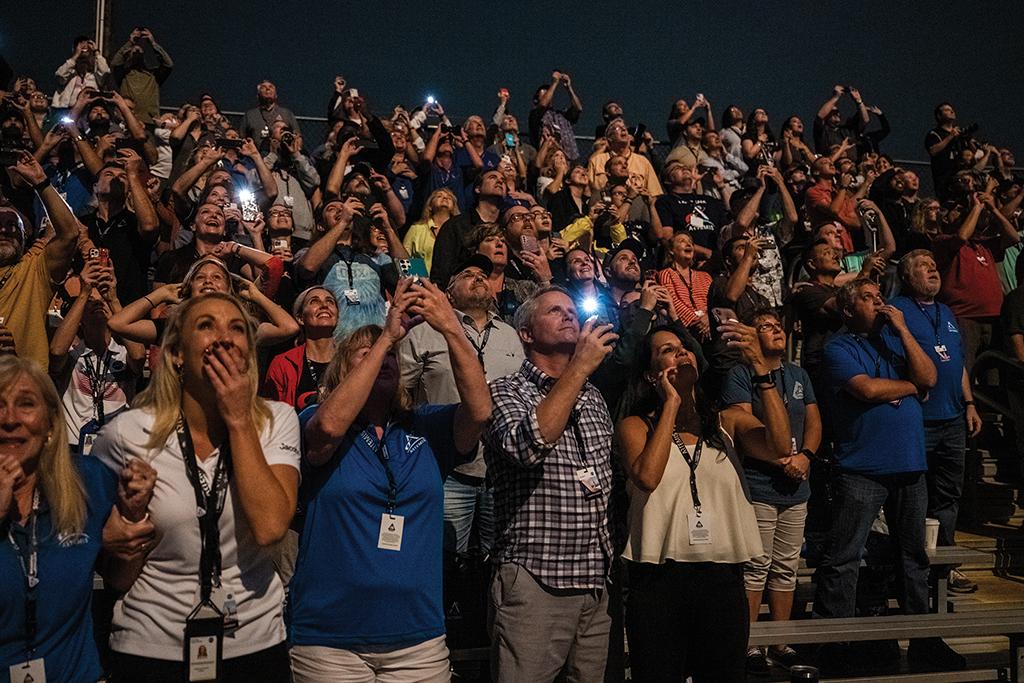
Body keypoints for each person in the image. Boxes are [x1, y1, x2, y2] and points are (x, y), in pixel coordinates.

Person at [289, 278, 491, 681]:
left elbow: (481, 412)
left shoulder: (425, 426)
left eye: (391, 356)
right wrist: (385, 337)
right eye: (364, 355)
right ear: (344, 369)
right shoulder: (314, 418)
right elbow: (329, 428)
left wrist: (450, 326)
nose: (382, 359)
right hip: (329, 640)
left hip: (418, 639)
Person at [94, 293, 301, 681]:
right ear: (176, 354)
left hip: (253, 642)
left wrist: (239, 419)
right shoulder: (127, 432)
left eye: (237, 328)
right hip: (152, 645)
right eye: (206, 326)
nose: (224, 338)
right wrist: (127, 524)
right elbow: (119, 579)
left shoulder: (277, 420)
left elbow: (271, 527)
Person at [615, 319, 792, 681]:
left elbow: (778, 446)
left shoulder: (728, 422)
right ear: (651, 375)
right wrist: (671, 404)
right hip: (659, 582)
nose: (681, 351)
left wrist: (761, 371)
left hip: (722, 581)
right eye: (667, 350)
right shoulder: (635, 425)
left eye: (684, 347)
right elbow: (648, 476)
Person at [813, 279, 965, 671]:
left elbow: (929, 377)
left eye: (881, 297)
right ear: (848, 311)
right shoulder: (837, 347)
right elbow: (865, 389)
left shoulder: (896, 341)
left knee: (914, 557)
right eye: (868, 298)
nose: (879, 304)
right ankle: (836, 644)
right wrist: (912, 387)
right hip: (862, 468)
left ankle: (923, 641)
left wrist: (902, 329)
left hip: (910, 465)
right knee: (844, 557)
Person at [484, 287, 618, 682]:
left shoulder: (593, 396)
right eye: (554, 311)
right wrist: (578, 368)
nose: (569, 317)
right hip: (536, 580)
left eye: (572, 312)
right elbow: (527, 447)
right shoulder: (505, 391)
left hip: (594, 581)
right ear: (525, 333)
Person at [0, 355, 155, 683]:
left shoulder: (89, 483)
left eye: (26, 404)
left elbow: (120, 578)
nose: (10, 419)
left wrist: (132, 515)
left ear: (52, 425)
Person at [399, 256, 523, 560]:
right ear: (449, 293)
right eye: (467, 274)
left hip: (502, 471)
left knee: (497, 560)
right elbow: (401, 394)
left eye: (483, 274)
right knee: (442, 559)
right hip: (446, 469)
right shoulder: (424, 332)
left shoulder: (512, 335)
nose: (478, 277)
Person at [720, 309, 821, 674]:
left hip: (797, 486)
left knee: (786, 567)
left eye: (778, 325)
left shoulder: (798, 374)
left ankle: (780, 640)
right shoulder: (740, 375)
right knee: (756, 568)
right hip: (760, 484)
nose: (775, 329)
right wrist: (784, 460)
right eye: (765, 326)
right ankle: (748, 644)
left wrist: (806, 457)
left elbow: (814, 420)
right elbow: (745, 430)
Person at [890, 250, 983, 593]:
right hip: (918, 421)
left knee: (948, 497)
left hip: (954, 419)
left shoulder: (946, 312)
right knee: (915, 498)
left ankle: (945, 566)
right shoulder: (897, 310)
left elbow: (956, 362)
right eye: (923, 266)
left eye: (934, 264)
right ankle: (913, 570)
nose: (932, 269)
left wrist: (970, 402)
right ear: (907, 276)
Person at [49, 256, 144, 452]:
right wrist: (84, 293)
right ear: (80, 318)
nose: (98, 304)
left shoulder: (123, 353)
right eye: (91, 302)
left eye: (103, 301)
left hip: (116, 449)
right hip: (73, 449)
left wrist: (113, 298)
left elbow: (139, 356)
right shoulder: (73, 355)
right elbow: (56, 352)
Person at [0, 153, 80, 369]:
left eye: (13, 226)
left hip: (24, 389)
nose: (5, 230)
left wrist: (41, 184)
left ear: (25, 239)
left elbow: (70, 234)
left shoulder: (34, 269)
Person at [261, 286, 339, 412]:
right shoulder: (282, 364)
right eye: (314, 301)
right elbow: (273, 417)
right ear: (300, 318)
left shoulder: (350, 359)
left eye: (330, 301)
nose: (324, 305)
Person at [658, 232, 713, 342]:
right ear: (671, 251)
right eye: (682, 241)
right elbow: (672, 300)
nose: (688, 244)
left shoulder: (705, 276)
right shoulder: (666, 274)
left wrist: (709, 319)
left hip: (710, 327)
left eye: (690, 243)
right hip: (687, 330)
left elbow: (713, 302)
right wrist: (697, 322)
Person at [402, 188, 459, 275]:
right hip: (422, 283)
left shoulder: (459, 231)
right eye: (439, 196)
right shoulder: (416, 229)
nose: (445, 198)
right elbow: (404, 258)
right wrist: (423, 281)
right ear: (430, 206)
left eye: (449, 197)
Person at [241, 80, 301, 147]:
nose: (267, 88)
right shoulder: (250, 115)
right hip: (256, 154)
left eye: (271, 87)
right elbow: (242, 138)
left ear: (276, 95)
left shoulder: (287, 114)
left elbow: (298, 137)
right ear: (258, 96)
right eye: (263, 87)